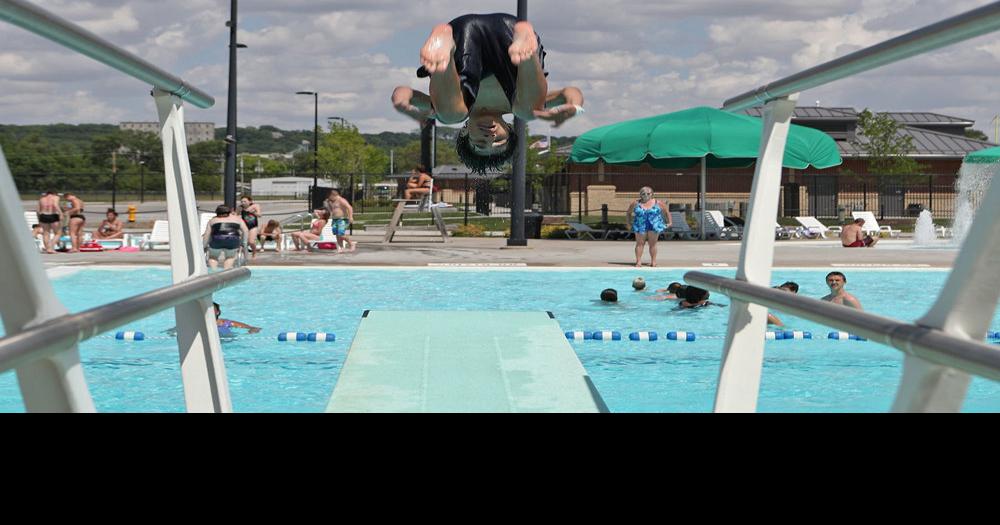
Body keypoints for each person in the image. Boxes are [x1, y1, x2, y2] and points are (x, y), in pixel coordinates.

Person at [391, 13, 585, 174]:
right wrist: (574, 107)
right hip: (510, 38)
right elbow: (570, 92)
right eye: (499, 140)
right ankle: (527, 52)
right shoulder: (515, 104)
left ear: (465, 132)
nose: (491, 137)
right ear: (509, 129)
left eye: (480, 142)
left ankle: (445, 48)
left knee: (448, 116)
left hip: (461, 39)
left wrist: (401, 103)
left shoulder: (454, 108)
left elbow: (405, 92)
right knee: (529, 113)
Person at [626, 187, 672, 268]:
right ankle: (638, 261)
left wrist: (670, 222)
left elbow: (666, 212)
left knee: (653, 244)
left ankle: (653, 261)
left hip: (654, 225)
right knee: (640, 244)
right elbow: (628, 213)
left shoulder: (658, 203)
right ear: (640, 194)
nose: (645, 195)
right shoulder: (636, 203)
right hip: (640, 225)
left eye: (648, 193)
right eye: (643, 193)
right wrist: (628, 223)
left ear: (652, 194)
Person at [203, 205, 249, 270]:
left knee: (213, 257)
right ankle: (225, 273)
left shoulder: (213, 220)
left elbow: (207, 234)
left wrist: (204, 246)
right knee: (230, 257)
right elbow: (245, 231)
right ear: (229, 212)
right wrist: (244, 242)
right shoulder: (237, 219)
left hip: (217, 240)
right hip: (232, 240)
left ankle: (213, 273)